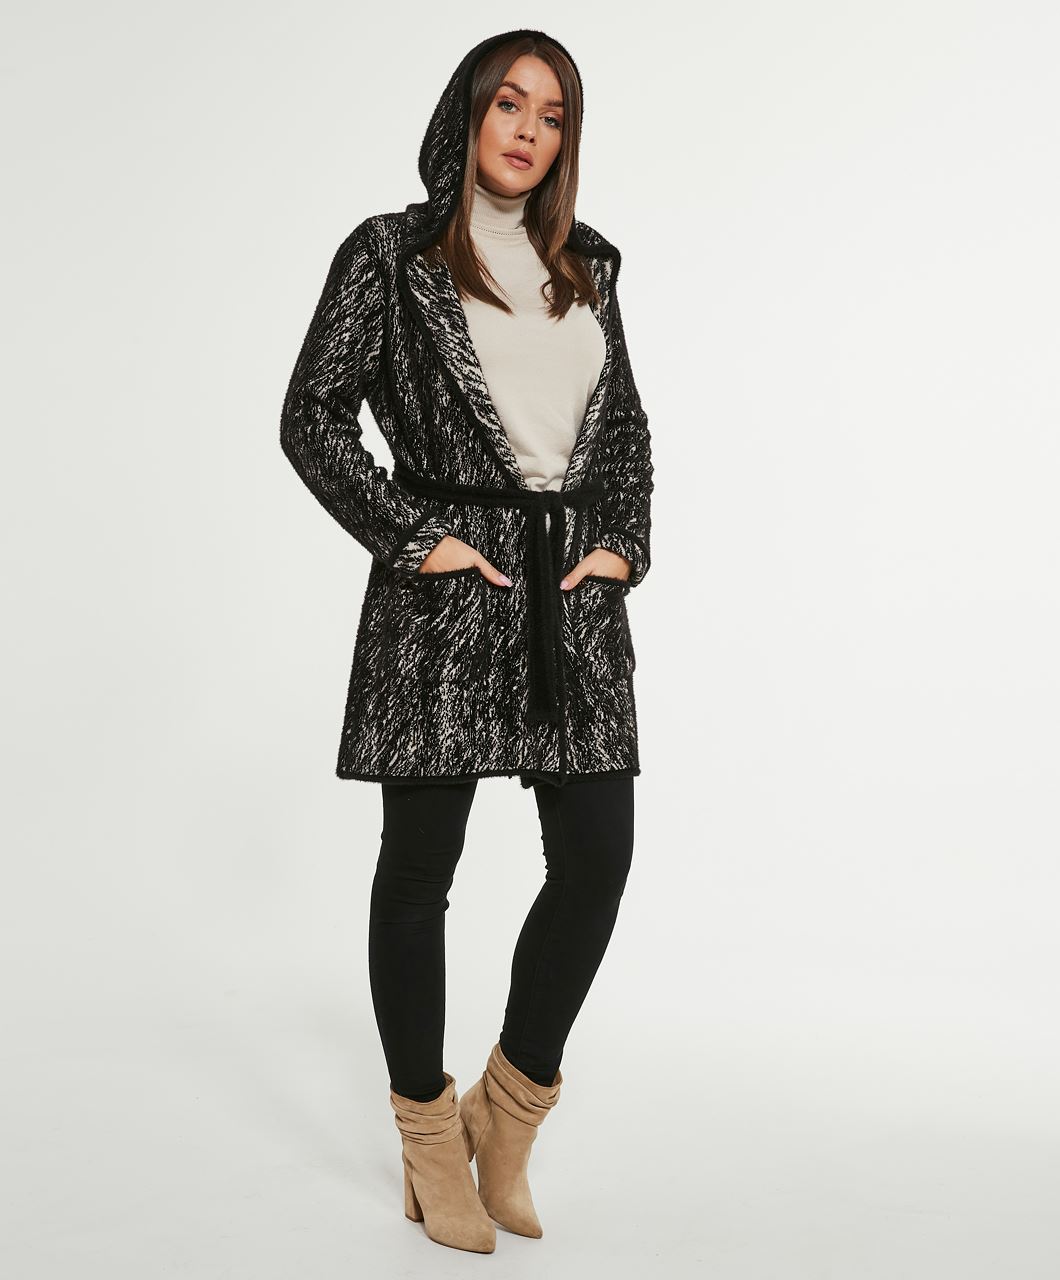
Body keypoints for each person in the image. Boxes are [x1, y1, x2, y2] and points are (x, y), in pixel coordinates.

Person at [280, 28, 654, 1254]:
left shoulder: (587, 266)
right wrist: (413, 536)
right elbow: (313, 414)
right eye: (509, 103)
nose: (528, 130)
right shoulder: (390, 255)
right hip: (443, 598)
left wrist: (620, 545)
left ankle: (510, 1111)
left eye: (552, 114)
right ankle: (428, 1136)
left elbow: (625, 435)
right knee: (419, 868)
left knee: (596, 856)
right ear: (468, 113)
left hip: (567, 598)